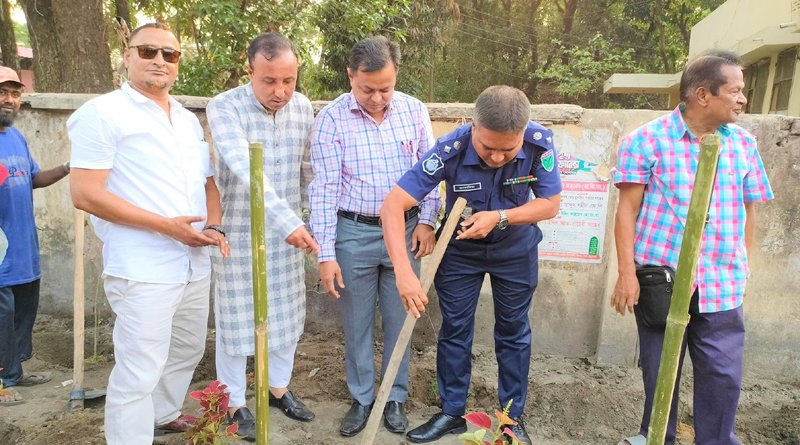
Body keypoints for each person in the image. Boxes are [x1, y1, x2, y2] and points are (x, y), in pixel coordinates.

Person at [67, 23, 229, 445]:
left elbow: (208, 182)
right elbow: (85, 193)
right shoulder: (102, 114)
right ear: (127, 55)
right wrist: (167, 228)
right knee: (139, 366)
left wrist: (212, 225)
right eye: (148, 51)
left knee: (187, 348)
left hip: (193, 260)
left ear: (177, 63)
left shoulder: (185, 118)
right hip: (143, 264)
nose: (159, 60)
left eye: (170, 54)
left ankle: (164, 413)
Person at [380, 85, 562, 445]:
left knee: (513, 331)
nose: (496, 157)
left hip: (515, 250)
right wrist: (403, 273)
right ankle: (451, 412)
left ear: (523, 134)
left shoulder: (539, 143)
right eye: (487, 147)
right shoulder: (452, 147)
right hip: (461, 251)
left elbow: (550, 203)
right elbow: (392, 206)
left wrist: (500, 217)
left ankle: (510, 420)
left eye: (507, 150)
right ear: (473, 127)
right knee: (455, 330)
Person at [610, 50, 773, 445]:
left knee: (723, 376)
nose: (742, 100)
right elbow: (627, 210)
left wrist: (742, 266)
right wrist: (627, 274)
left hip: (722, 282)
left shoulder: (742, 144)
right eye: (734, 91)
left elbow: (749, 211)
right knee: (660, 373)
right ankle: (657, 439)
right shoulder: (646, 140)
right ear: (703, 94)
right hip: (661, 282)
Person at [309, 35, 441, 437]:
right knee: (357, 320)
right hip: (354, 233)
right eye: (368, 89)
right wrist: (326, 253)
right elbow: (324, 188)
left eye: (385, 88)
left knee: (402, 318)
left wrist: (427, 221)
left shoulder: (414, 111)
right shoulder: (331, 119)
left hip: (405, 231)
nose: (378, 98)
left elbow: (431, 173)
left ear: (396, 75)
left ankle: (394, 396)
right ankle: (363, 397)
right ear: (351, 77)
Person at [206, 32, 318, 441]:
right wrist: (288, 221)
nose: (281, 91)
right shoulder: (225, 107)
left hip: (290, 236)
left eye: (289, 80)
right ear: (249, 71)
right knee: (237, 322)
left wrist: (314, 225)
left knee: (287, 315)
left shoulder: (303, 108)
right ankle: (234, 402)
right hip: (238, 230)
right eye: (269, 81)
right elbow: (240, 165)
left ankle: (278, 389)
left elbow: (309, 173)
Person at [0, 66, 70, 405]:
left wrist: (70, 167)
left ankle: (15, 373)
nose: (9, 99)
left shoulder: (15, 137)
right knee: (1, 318)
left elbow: (34, 178)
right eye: (2, 92)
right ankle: (1, 382)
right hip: (0, 253)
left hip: (23, 247)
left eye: (14, 93)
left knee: (22, 314)